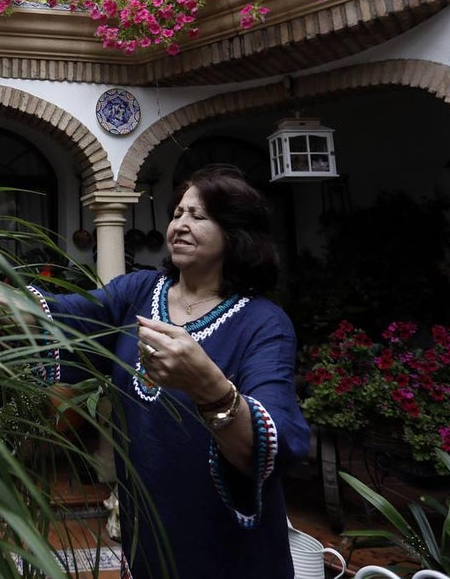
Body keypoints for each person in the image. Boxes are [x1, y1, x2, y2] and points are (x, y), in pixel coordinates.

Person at [27, 163, 311, 579]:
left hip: (227, 540)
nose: (180, 224)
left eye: (198, 216)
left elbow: (276, 440)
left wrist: (207, 385)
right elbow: (63, 314)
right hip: (149, 524)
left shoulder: (263, 323)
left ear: (235, 233)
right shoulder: (137, 292)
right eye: (178, 213)